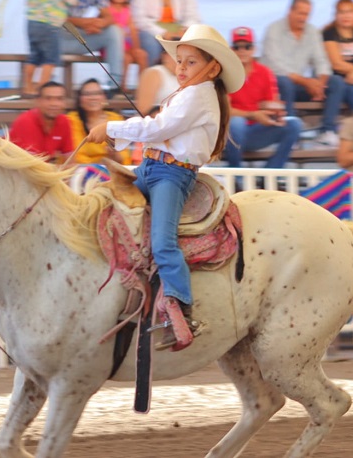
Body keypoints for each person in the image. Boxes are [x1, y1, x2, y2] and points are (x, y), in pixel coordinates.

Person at [84, 24, 244, 351]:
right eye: (179, 61)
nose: (181, 68)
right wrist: (116, 133)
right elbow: (158, 129)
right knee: (104, 206)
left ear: (213, 68)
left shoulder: (201, 95)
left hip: (171, 176)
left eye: (190, 62)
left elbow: (159, 127)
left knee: (163, 240)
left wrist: (111, 127)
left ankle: (181, 307)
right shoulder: (187, 94)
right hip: (150, 169)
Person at [261, 0, 347, 147]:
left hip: (300, 85)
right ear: (290, 11)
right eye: (300, 13)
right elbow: (276, 67)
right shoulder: (273, 30)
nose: (303, 18)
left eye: (307, 14)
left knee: (336, 82)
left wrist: (320, 84)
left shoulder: (312, 32)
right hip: (276, 87)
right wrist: (307, 82)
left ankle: (327, 131)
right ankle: (291, 132)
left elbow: (321, 61)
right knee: (284, 81)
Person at [223, 26, 303, 171]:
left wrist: (275, 113)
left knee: (294, 124)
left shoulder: (265, 72)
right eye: (237, 47)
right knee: (236, 123)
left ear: (253, 49)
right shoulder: (224, 73)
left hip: (257, 129)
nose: (242, 51)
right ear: (231, 50)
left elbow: (270, 104)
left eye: (247, 47)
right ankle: (236, 175)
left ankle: (270, 173)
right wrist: (253, 114)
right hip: (230, 134)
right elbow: (225, 111)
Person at [62, 0, 125, 89]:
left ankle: (114, 85)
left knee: (114, 31)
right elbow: (55, 18)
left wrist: (99, 23)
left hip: (82, 35)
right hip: (60, 37)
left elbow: (109, 17)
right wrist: (83, 22)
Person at [67, 78, 131, 164]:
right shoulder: (71, 119)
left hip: (112, 170)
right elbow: (74, 156)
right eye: (87, 94)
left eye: (97, 93)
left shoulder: (115, 119)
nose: (93, 98)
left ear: (104, 98)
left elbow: (125, 157)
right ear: (79, 99)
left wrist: (115, 155)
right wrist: (101, 163)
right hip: (82, 171)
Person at [131, 0, 201, 67]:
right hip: (149, 28)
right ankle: (153, 74)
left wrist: (185, 29)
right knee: (151, 44)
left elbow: (192, 15)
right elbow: (139, 19)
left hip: (177, 27)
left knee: (198, 42)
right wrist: (163, 33)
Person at [23, 0, 73, 96]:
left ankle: (27, 87)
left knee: (34, 58)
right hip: (50, 24)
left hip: (32, 22)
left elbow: (28, 1)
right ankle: (42, 89)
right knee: (50, 60)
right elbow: (71, 1)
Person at [9, 82, 74, 161]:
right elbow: (31, 165)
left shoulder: (64, 121)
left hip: (43, 169)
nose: (54, 103)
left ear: (65, 103)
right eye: (48, 98)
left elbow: (70, 159)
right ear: (38, 101)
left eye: (59, 99)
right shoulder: (25, 121)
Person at [108, 0, 148, 88]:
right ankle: (122, 87)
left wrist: (136, 48)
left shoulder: (127, 10)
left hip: (125, 45)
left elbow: (133, 30)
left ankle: (141, 88)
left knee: (142, 55)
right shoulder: (106, 8)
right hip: (111, 47)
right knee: (127, 58)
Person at [134, 37, 179, 115]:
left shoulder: (186, 77)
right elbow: (143, 109)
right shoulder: (154, 73)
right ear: (165, 56)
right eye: (176, 55)